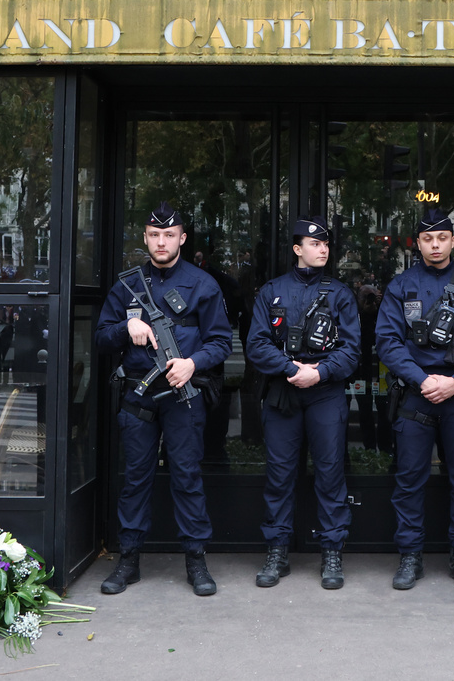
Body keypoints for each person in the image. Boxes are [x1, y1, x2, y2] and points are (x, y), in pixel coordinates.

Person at [95, 202, 232, 597]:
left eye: (169, 235)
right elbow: (102, 338)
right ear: (145, 237)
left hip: (182, 396)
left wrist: (193, 363)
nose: (161, 241)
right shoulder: (126, 286)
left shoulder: (203, 284)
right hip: (138, 393)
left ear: (182, 239)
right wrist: (127, 326)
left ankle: (196, 560)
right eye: (154, 235)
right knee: (135, 479)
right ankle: (129, 561)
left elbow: (222, 341)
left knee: (187, 477)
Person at [375, 208, 454, 591]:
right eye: (427, 239)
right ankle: (410, 555)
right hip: (417, 395)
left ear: (452, 241)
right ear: (418, 243)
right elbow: (388, 343)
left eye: (442, 238)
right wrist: (423, 379)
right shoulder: (402, 286)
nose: (435, 245)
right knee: (410, 479)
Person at [246, 216, 360, 590]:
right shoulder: (272, 291)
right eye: (314, 244)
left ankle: (331, 552)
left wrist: (320, 372)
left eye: (326, 244)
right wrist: (290, 368)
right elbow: (256, 345)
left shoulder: (340, 294)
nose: (322, 249)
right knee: (279, 475)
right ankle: (277, 550)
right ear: (298, 249)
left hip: (325, 394)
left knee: (330, 475)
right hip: (284, 393)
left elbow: (352, 351)